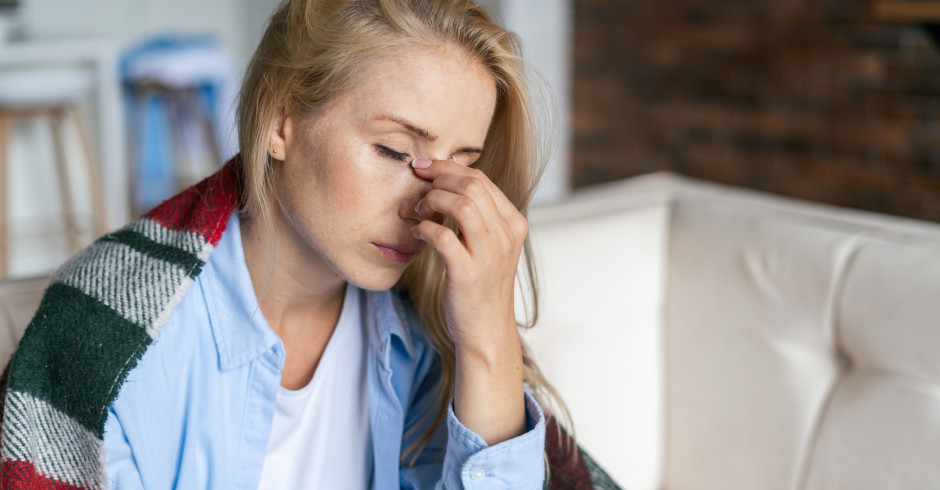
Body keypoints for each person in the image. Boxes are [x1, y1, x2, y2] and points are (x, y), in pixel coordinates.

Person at [0, 0, 589, 488]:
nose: (425, 204)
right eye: (392, 151)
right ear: (281, 119)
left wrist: (489, 340)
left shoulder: (426, 332)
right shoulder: (113, 340)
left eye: (459, 167)